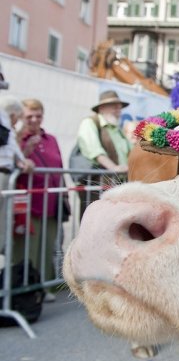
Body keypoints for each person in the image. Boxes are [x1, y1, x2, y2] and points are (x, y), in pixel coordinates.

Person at [14, 99, 65, 300]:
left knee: (47, 246)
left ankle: (45, 286)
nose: (34, 120)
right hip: (27, 204)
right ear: (21, 117)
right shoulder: (15, 138)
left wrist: (64, 195)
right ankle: (23, 288)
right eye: (29, 116)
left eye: (38, 115)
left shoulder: (50, 139)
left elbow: (59, 167)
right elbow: (11, 164)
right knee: (26, 248)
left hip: (51, 203)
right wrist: (25, 150)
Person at [74, 91, 131, 208]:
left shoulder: (118, 130)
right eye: (113, 105)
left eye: (119, 106)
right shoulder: (90, 123)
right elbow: (95, 151)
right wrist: (114, 168)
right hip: (97, 185)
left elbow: (130, 151)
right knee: (95, 222)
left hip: (116, 185)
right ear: (102, 108)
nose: (118, 108)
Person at [0, 96, 34, 254]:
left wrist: (21, 161)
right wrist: (23, 161)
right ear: (13, 115)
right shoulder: (4, 121)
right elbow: (14, 149)